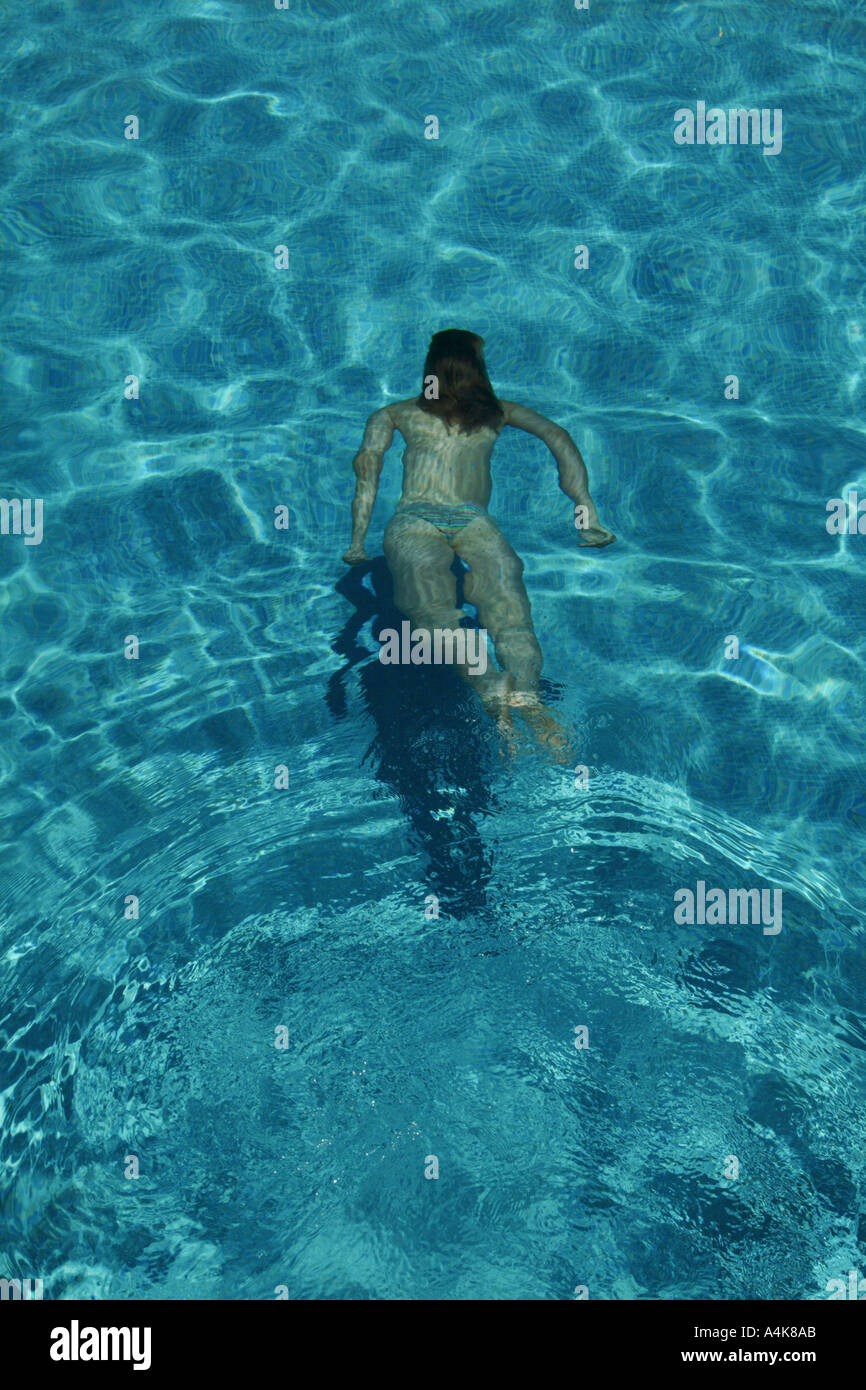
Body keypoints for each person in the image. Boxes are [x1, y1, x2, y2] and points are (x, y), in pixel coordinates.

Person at [342, 329, 615, 753]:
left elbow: (367, 468)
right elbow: (557, 436)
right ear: (478, 371)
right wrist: (586, 512)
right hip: (474, 521)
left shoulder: (394, 413)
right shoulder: (497, 413)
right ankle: (527, 695)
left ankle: (490, 687)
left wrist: (357, 542)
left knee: (430, 608)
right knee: (509, 604)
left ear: (430, 370)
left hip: (416, 519)